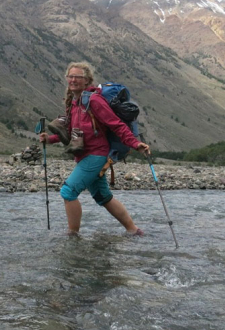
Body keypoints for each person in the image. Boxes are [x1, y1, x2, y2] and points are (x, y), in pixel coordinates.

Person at [39, 62, 150, 236]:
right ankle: (134, 231)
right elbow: (71, 132)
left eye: (78, 77)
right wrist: (50, 139)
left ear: (87, 80)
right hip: (83, 156)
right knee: (103, 196)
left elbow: (116, 124)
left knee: (68, 192)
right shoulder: (73, 102)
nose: (73, 80)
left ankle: (73, 236)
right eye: (70, 76)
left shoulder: (94, 100)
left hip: (96, 155)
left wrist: (135, 144)